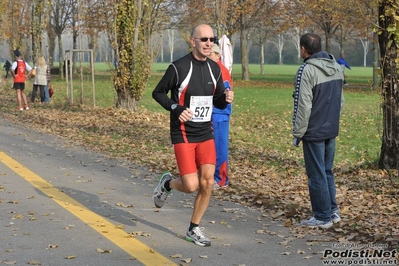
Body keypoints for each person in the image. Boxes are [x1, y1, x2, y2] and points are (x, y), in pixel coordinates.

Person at [152, 24, 234, 247]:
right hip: (183, 133)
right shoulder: (179, 67)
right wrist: (175, 108)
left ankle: (193, 229)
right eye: (204, 39)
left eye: (211, 39)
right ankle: (168, 184)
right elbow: (157, 92)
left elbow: (215, 100)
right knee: (190, 185)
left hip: (205, 131)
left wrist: (225, 98)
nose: (208, 43)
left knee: (207, 182)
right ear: (193, 41)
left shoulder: (214, 69)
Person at [292, 33, 344, 229]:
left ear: (304, 49)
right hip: (331, 128)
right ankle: (332, 211)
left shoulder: (306, 70)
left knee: (316, 175)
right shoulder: (337, 67)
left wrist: (298, 133)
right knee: (327, 171)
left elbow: (302, 105)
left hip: (314, 130)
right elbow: (341, 102)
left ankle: (322, 217)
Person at [208, 44, 233, 188]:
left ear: (218, 55)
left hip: (219, 113)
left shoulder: (220, 70)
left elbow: (223, 95)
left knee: (219, 147)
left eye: (211, 53)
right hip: (214, 112)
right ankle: (213, 176)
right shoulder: (213, 69)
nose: (208, 55)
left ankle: (221, 179)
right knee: (212, 147)